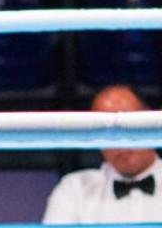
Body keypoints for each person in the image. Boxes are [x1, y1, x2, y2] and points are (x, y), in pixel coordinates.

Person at [42, 84, 162, 224]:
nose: (121, 141)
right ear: (96, 137)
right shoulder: (75, 188)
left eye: (130, 126)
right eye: (108, 132)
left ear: (152, 123)